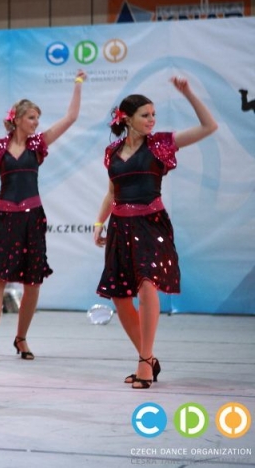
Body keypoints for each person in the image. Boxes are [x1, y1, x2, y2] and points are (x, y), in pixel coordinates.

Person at [93, 76, 217, 389]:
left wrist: (188, 93)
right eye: (145, 115)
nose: (152, 120)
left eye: (154, 114)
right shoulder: (112, 151)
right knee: (120, 297)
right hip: (120, 227)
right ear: (127, 119)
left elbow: (209, 126)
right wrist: (98, 223)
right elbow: (111, 192)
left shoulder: (161, 143)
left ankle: (144, 363)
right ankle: (148, 357)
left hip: (150, 225)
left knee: (148, 284)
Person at [0, 70, 87, 364]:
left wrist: (77, 84)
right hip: (3, 219)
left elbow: (71, 117)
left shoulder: (39, 145)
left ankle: (21, 337)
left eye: (38, 118)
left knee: (33, 281)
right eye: (32, 117)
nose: (36, 122)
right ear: (18, 119)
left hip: (32, 219)